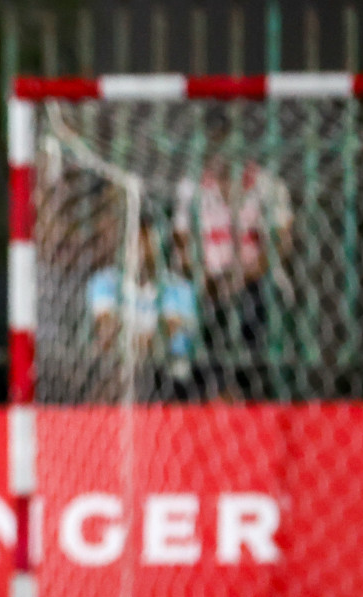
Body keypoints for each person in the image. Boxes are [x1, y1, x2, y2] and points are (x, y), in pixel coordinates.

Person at [172, 110, 293, 398]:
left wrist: (241, 277)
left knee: (252, 307)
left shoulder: (266, 185)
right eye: (212, 141)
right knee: (199, 315)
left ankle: (242, 389)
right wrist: (202, 276)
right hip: (207, 283)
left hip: (255, 281)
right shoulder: (191, 188)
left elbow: (281, 243)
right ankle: (208, 392)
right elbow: (182, 242)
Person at [86, 220, 200, 403]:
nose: (141, 250)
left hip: (167, 370)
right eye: (134, 242)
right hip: (117, 367)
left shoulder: (180, 288)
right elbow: (106, 329)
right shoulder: (105, 282)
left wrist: (131, 341)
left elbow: (165, 335)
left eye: (147, 242)